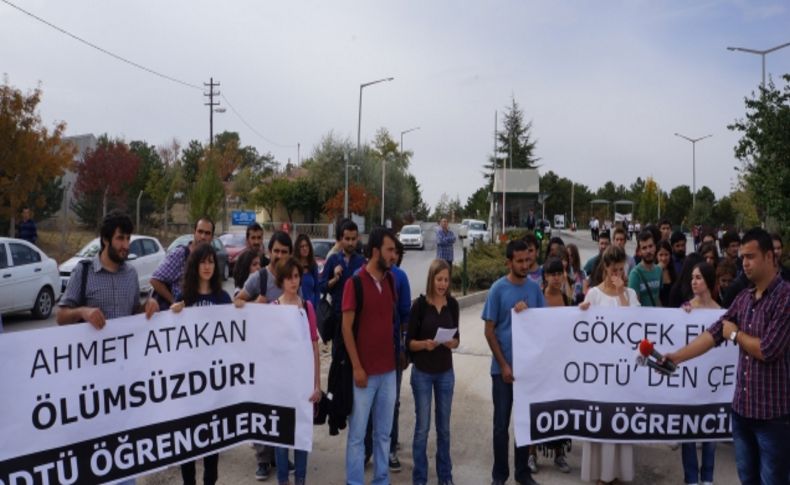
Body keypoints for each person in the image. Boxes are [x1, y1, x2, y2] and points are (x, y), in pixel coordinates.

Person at [662, 228, 790, 484]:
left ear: (769, 257)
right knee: (747, 479)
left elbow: (768, 349)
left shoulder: (785, 297)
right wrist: (677, 357)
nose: (744, 263)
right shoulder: (744, 298)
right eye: (742, 257)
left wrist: (735, 335)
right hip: (742, 412)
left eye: (751, 256)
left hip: (773, 417)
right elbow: (713, 334)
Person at [56, 211, 158, 485]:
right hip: (90, 380)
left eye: (128, 238)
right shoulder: (85, 271)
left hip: (124, 379)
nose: (126, 245)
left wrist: (147, 309)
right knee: (93, 448)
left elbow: (133, 313)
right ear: (105, 240)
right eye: (120, 238)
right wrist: (84, 312)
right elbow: (61, 316)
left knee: (125, 447)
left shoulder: (131, 274)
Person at [482, 239, 544, 485]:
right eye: (519, 261)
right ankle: (499, 475)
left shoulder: (534, 289)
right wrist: (504, 365)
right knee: (500, 426)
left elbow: (543, 325)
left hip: (527, 372)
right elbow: (489, 331)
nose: (525, 265)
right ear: (508, 262)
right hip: (502, 372)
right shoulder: (498, 290)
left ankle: (522, 472)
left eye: (528, 260)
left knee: (524, 423)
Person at [234, 230, 294, 481]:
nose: (279, 256)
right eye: (276, 251)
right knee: (261, 408)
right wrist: (254, 306)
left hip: (285, 357)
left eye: (284, 252)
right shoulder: (257, 278)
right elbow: (236, 304)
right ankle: (262, 459)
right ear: (269, 252)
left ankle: (281, 455)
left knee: (282, 408)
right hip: (260, 355)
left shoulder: (293, 278)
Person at [170, 243, 231, 485]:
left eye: (211, 262)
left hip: (214, 385)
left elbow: (234, 336)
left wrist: (239, 310)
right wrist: (172, 316)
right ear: (194, 266)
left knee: (212, 444)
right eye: (202, 262)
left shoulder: (223, 298)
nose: (207, 266)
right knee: (188, 444)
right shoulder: (183, 299)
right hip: (188, 386)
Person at [342, 228, 399, 485]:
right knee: (357, 436)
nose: (394, 256)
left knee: (384, 434)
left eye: (395, 251)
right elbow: (346, 328)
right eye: (390, 250)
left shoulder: (390, 281)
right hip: (363, 374)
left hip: (389, 373)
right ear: (376, 251)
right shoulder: (354, 283)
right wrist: (357, 367)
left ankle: (381, 480)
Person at [578, 245, 638, 485]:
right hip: (599, 373)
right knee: (600, 420)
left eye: (621, 270)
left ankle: (617, 473)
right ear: (605, 268)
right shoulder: (593, 294)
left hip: (622, 372)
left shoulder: (630, 294)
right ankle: (600, 474)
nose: (618, 275)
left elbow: (634, 324)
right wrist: (581, 312)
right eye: (614, 270)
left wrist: (622, 293)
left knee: (619, 420)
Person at [270, 257, 322, 485]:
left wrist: (317, 384)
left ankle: (300, 479)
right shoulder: (273, 309)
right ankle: (283, 480)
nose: (294, 281)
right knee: (281, 440)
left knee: (301, 437)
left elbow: (314, 346)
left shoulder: (307, 307)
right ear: (281, 280)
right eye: (289, 277)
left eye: (297, 276)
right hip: (281, 386)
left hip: (303, 386)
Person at [407, 259, 459, 485]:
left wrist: (451, 343)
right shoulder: (419, 305)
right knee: (422, 428)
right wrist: (424, 344)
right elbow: (409, 343)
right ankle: (419, 478)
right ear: (431, 279)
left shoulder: (453, 305)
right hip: (423, 374)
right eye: (439, 279)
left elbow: (457, 339)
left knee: (444, 429)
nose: (443, 284)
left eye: (446, 280)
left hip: (445, 373)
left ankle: (445, 477)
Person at [677, 262, 719, 485]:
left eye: (699, 277)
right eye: (692, 277)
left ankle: (708, 477)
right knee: (689, 433)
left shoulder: (721, 312)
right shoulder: (686, 309)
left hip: (711, 384)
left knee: (711, 434)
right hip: (689, 382)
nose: (694, 281)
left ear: (709, 282)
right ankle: (691, 477)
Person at [529, 258, 572, 474]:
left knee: (561, 409)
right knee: (538, 408)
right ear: (545, 276)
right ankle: (531, 454)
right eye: (552, 274)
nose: (556, 278)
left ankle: (559, 454)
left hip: (561, 364)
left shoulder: (566, 297)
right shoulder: (538, 297)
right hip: (540, 363)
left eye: (559, 273)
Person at [151, 217, 214, 310]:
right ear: (194, 232)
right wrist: (175, 302)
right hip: (180, 317)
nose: (203, 236)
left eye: (207, 233)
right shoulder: (180, 254)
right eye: (200, 232)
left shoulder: (211, 258)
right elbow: (155, 280)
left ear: (212, 237)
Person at [320, 219, 365, 348]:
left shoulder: (362, 262)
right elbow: (322, 286)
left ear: (357, 238)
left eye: (353, 239)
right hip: (338, 315)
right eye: (347, 239)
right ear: (341, 239)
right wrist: (334, 279)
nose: (350, 242)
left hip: (358, 317)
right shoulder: (333, 260)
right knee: (338, 356)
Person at [628, 230, 662, 307]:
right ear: (639, 251)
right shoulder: (635, 274)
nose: (648, 251)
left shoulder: (659, 270)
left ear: (655, 247)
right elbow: (634, 304)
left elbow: (657, 297)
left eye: (650, 246)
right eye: (644, 248)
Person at [295, 234, 320, 309]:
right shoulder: (293, 266)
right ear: (297, 249)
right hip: (297, 308)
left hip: (311, 307)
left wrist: (315, 305)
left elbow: (317, 289)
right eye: (302, 246)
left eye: (307, 246)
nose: (305, 248)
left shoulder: (313, 265)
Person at [656, 240, 677, 307]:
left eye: (666, 255)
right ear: (656, 256)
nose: (664, 258)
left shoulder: (674, 272)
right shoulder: (653, 272)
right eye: (661, 255)